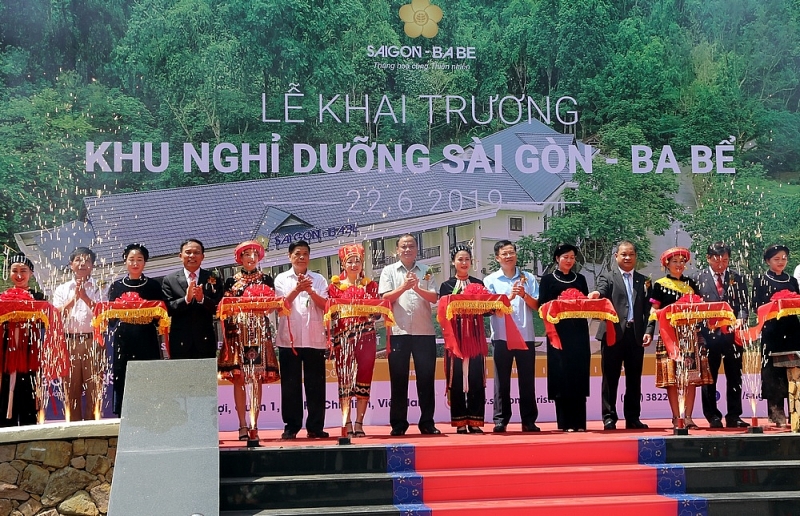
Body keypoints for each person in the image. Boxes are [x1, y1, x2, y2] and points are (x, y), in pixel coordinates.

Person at [378, 234, 439, 436]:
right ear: (397, 250)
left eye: (411, 246)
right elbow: (385, 298)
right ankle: (398, 424)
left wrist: (417, 288)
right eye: (403, 246)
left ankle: (427, 422)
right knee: (398, 379)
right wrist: (404, 287)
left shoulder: (426, 270)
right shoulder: (389, 271)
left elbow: (433, 298)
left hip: (424, 332)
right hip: (398, 332)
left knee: (426, 379)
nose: (407, 249)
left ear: (417, 249)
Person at [589, 241, 652, 430]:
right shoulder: (608, 277)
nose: (627, 258)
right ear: (616, 256)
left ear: (635, 257)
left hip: (636, 335)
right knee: (610, 378)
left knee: (634, 379)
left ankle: (633, 417)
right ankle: (609, 417)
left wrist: (648, 331)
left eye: (631, 254)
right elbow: (601, 291)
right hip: (612, 334)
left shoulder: (644, 281)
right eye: (623, 254)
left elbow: (650, 311)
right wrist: (596, 295)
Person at [219, 240, 279, 440]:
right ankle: (242, 424)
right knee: (239, 378)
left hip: (259, 332)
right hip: (237, 331)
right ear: (240, 258)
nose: (251, 258)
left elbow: (272, 307)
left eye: (255, 254)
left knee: (257, 378)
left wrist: (260, 306)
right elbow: (225, 309)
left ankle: (255, 423)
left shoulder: (267, 280)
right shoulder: (230, 281)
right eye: (247, 254)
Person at [646, 247, 707, 429]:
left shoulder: (691, 284)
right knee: (672, 379)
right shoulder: (659, 284)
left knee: (691, 378)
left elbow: (700, 307)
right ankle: (676, 416)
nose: (679, 265)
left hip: (691, 335)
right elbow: (653, 311)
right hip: (669, 335)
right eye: (675, 261)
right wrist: (649, 331)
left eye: (682, 261)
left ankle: (688, 416)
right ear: (667, 264)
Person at [274, 240, 329, 439]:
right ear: (290, 256)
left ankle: (315, 426)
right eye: (297, 253)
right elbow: (280, 306)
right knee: (290, 385)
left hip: (314, 339)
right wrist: (298, 289)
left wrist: (310, 290)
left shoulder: (319, 279)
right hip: (289, 339)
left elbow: (325, 306)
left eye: (305, 253)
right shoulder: (281, 279)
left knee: (316, 385)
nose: (302, 257)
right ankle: (291, 426)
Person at [483, 240, 540, 433]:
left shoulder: (529, 278)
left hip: (526, 335)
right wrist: (509, 297)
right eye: (504, 254)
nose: (508, 256)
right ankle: (500, 420)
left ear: (516, 255)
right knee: (501, 381)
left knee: (527, 380)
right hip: (501, 336)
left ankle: (529, 420)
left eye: (511, 252)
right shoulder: (490, 280)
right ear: (497, 258)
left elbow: (537, 306)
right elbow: (489, 308)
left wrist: (524, 295)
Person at [694, 242, 749, 428]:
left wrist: (741, 319)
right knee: (709, 377)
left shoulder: (737, 277)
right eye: (717, 260)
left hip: (732, 336)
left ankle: (734, 415)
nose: (721, 265)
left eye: (725, 260)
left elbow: (743, 306)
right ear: (708, 258)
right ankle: (712, 416)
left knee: (735, 376)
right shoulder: (697, 278)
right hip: (708, 337)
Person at [106, 244, 166, 416]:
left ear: (145, 263)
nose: (135, 263)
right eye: (131, 259)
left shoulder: (153, 286)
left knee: (148, 372)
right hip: (124, 336)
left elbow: (160, 315)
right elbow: (111, 318)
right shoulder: (116, 286)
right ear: (125, 261)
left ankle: (151, 413)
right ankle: (124, 414)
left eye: (139, 260)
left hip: (146, 335)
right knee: (122, 374)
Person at [328, 243, 379, 438]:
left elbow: (377, 314)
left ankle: (359, 422)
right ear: (343, 264)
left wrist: (368, 311)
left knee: (365, 376)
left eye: (357, 260)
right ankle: (346, 421)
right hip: (343, 338)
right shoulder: (334, 287)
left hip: (366, 337)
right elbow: (332, 314)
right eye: (350, 261)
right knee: (345, 378)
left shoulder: (371, 286)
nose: (354, 264)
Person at [538, 244, 591, 432]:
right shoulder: (547, 280)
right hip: (558, 333)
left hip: (578, 333)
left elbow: (586, 304)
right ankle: (565, 423)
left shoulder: (581, 279)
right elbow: (542, 306)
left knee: (578, 374)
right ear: (557, 259)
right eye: (565, 257)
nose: (569, 260)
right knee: (562, 376)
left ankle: (579, 423)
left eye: (572, 257)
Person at [439, 245, 488, 434]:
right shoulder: (446, 286)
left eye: (467, 259)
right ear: (453, 262)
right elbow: (443, 314)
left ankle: (475, 421)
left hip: (475, 337)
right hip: (456, 338)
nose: (464, 263)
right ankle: (459, 422)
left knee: (476, 377)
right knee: (456, 378)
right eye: (460, 259)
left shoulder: (478, 283)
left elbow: (487, 310)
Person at [52, 247, 104, 421]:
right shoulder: (62, 289)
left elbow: (103, 316)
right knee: (70, 390)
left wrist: (86, 298)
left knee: (94, 389)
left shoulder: (100, 287)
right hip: (69, 342)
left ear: (93, 265)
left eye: (87, 260)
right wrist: (74, 298)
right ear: (71, 264)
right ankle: (73, 430)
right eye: (78, 260)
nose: (82, 263)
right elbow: (56, 315)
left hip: (93, 342)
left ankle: (93, 430)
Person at [751, 244, 800, 427]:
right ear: (768, 261)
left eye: (784, 258)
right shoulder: (760, 280)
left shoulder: (792, 280)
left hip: (793, 330)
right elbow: (756, 306)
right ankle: (776, 413)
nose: (781, 262)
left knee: (793, 368)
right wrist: (776, 306)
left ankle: (795, 410)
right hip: (772, 330)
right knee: (773, 371)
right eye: (777, 259)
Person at [0, 254, 45, 426]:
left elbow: (46, 322)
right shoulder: (3, 297)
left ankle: (29, 425)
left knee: (29, 388)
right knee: (5, 388)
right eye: (15, 271)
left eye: (23, 271)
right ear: (9, 273)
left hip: (30, 351)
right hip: (6, 352)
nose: (19, 275)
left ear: (31, 273)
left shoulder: (39, 298)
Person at [162, 239, 223, 359]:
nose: (192, 256)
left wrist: (202, 299)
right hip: (180, 340)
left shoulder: (213, 277)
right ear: (180, 256)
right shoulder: (170, 280)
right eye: (188, 252)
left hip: (205, 339)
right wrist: (186, 299)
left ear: (202, 256)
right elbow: (167, 309)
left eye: (196, 252)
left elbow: (219, 308)